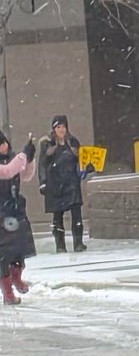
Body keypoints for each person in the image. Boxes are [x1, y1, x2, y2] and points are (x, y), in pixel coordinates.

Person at [38, 115, 89, 253]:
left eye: (63, 126)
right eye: (58, 127)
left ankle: (78, 243)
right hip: (55, 183)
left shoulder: (73, 142)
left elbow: (82, 160)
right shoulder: (47, 144)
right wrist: (42, 182)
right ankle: (60, 245)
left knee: (76, 213)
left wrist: (86, 167)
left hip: (71, 182)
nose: (61, 130)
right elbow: (42, 164)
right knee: (57, 215)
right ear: (54, 129)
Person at [0, 132, 37, 305]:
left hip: (14, 210)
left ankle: (17, 276)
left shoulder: (13, 159)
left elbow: (25, 175)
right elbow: (7, 172)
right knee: (3, 254)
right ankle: (7, 290)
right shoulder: (8, 164)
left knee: (21, 246)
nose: (3, 147)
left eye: (4, 143)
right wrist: (23, 156)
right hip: (1, 212)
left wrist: (30, 159)